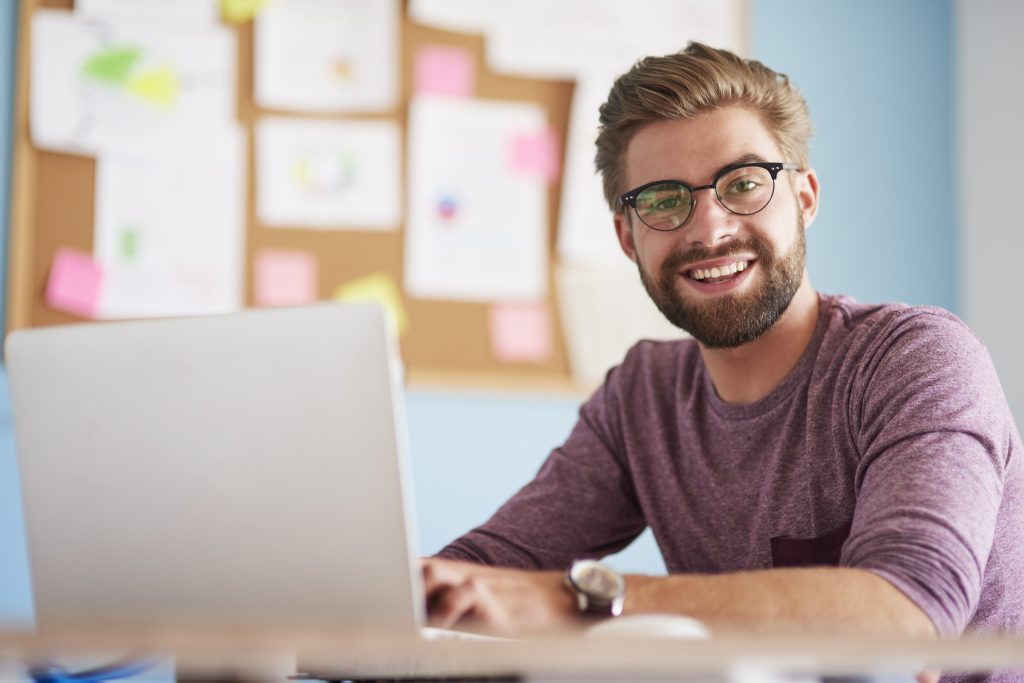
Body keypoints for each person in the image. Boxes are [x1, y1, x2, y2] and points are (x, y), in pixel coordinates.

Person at [421, 42, 1023, 661]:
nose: (709, 229)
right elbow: (489, 570)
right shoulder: (642, 399)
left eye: (742, 183)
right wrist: (383, 600)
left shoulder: (915, 359)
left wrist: (578, 602)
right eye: (661, 200)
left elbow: (907, 611)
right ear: (628, 238)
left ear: (805, 198)